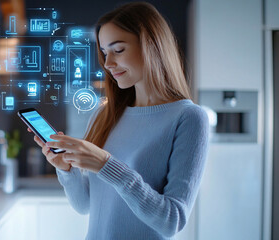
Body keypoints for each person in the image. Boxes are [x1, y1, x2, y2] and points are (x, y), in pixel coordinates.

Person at [28, 2, 209, 239]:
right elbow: (85, 206)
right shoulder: (105, 115)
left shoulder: (189, 118)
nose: (108, 63)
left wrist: (106, 164)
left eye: (119, 50)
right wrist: (66, 170)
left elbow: (171, 221)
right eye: (104, 52)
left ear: (152, 46)